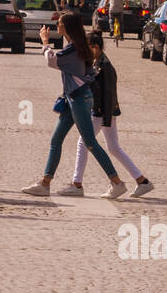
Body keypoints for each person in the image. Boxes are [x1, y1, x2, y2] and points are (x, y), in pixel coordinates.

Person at [21, 11, 126, 198]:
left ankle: (116, 182)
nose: (57, 25)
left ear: (67, 27)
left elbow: (53, 61)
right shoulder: (75, 45)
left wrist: (45, 43)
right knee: (56, 139)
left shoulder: (74, 48)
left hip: (78, 98)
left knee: (90, 142)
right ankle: (45, 183)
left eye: (60, 23)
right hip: (73, 97)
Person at [66, 31, 154, 198]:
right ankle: (142, 181)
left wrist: (105, 117)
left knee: (83, 142)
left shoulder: (105, 66)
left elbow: (109, 94)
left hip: (101, 112)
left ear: (96, 47)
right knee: (113, 147)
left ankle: (76, 183)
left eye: (88, 47)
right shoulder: (96, 62)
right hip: (104, 112)